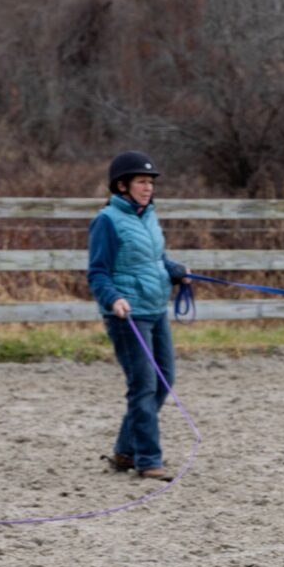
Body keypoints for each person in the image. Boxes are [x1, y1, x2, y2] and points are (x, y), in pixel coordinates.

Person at [87, 151, 189, 480]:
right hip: (128, 315)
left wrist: (174, 271)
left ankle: (125, 450)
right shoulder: (107, 221)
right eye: (142, 181)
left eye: (150, 182)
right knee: (143, 385)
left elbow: (153, 259)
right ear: (122, 186)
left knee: (164, 379)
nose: (148, 187)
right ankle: (148, 460)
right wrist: (113, 298)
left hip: (156, 308)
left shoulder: (148, 217)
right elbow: (97, 272)